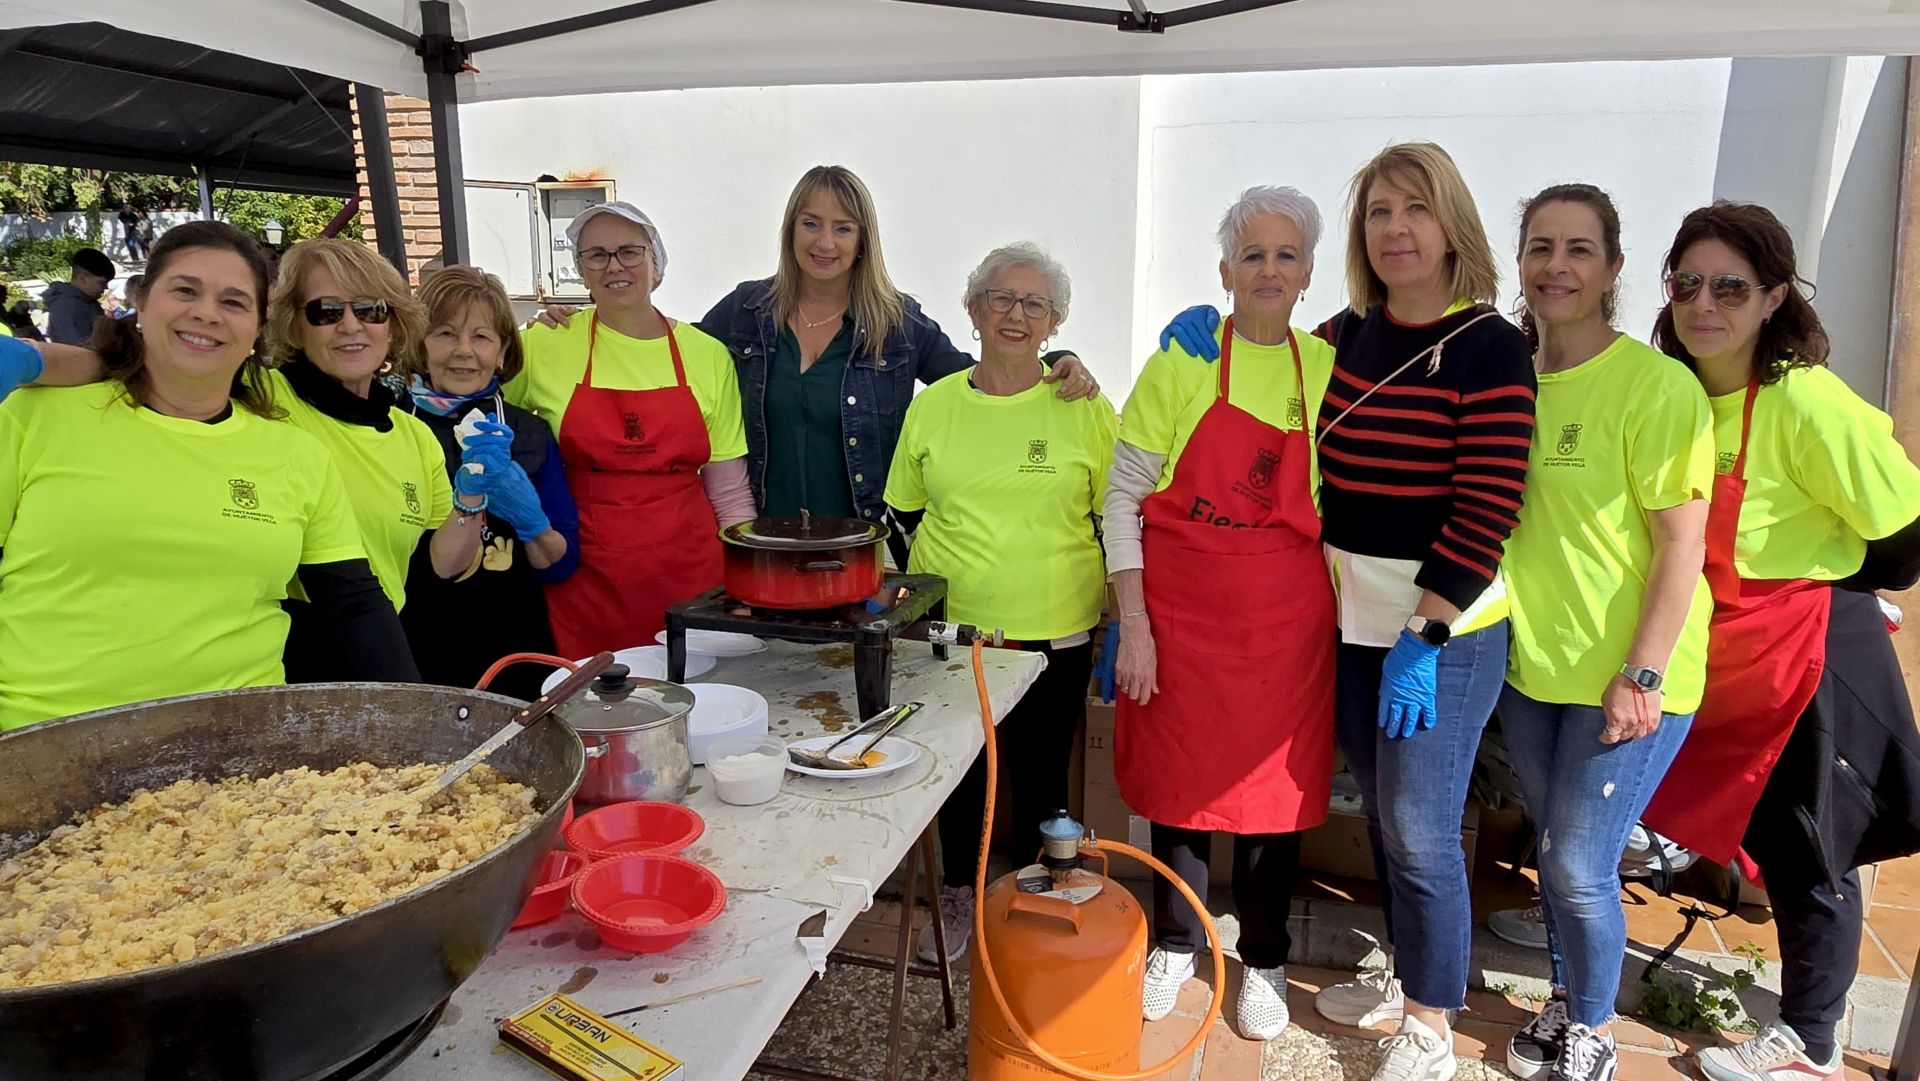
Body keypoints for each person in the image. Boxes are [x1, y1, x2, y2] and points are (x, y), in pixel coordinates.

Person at [1163, 144, 1536, 1069]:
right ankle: (1412, 976)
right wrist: (1194, 333)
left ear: (1453, 225)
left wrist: (1427, 627)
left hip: (1438, 631)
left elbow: (1489, 502)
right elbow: (1260, 345)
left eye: (1415, 209)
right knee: (1381, 818)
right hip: (1347, 625)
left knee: (1419, 828)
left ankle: (1432, 1026)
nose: (1396, 229)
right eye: (1378, 213)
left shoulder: (1489, 346)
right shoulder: (1347, 335)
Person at [1634, 202, 1920, 1081]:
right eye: (1688, 283)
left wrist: (1831, 580)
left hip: (1804, 650)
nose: (1705, 303)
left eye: (1731, 286)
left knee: (1806, 842)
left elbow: (1903, 542)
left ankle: (1812, 1035)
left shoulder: (1806, 399)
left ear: (1772, 298)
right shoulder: (1669, 392)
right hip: (1716, 649)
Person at [0, 221, 414, 732]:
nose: (207, 313)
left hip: (239, 755)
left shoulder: (295, 453)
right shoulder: (34, 416)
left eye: (235, 302)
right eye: (185, 290)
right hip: (44, 744)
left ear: (257, 328)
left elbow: (354, 602)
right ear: (142, 304)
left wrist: (420, 722)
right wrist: (36, 357)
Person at [539, 167, 1099, 541]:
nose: (824, 242)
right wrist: (582, 321)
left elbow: (984, 382)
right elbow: (664, 351)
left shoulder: (897, 322)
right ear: (791, 231)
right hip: (759, 546)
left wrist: (1058, 361)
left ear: (862, 240)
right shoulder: (745, 311)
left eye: (841, 228)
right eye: (811, 224)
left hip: (864, 551)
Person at [1494, 185, 1714, 1081]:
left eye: (1579, 249)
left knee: (1580, 864)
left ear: (1616, 269)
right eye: (1541, 247)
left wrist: (1644, 675)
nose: (1557, 266)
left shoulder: (1655, 386)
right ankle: (1563, 996)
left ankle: (1594, 1027)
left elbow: (1682, 544)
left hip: (1625, 678)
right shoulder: (1511, 376)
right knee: (1555, 855)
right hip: (1532, 669)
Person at [1110, 187, 1340, 1042]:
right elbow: (1123, 497)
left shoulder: (1328, 370)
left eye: (1286, 256)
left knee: (1272, 797)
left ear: (1308, 273)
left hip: (1286, 621)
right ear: (1224, 272)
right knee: (1180, 782)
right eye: (1253, 255)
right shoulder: (1180, 364)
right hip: (1181, 609)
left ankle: (1267, 960)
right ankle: (1176, 942)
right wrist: (1133, 621)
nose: (1269, 270)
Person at [884, 242, 1116, 967]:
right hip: (956, 630)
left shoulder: (1082, 404)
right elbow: (902, 511)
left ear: (1055, 322)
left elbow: (1116, 514)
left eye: (1034, 304)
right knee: (962, 771)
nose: (1016, 315)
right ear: (973, 308)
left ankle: (1037, 896)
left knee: (1043, 772)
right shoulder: (935, 406)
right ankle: (959, 890)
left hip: (1056, 626)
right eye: (1001, 299)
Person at [509, 201, 756, 653]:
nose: (614, 266)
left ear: (655, 263)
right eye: (596, 255)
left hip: (691, 572)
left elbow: (729, 489)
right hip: (584, 571)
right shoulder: (543, 343)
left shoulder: (706, 354)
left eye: (629, 251)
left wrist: (748, 579)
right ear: (580, 270)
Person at [399, 266, 580, 701]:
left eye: (481, 337)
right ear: (420, 345)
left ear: (502, 352)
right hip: (415, 647)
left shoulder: (529, 435)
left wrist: (533, 523)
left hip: (513, 647)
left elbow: (560, 564)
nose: (464, 351)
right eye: (445, 333)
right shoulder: (391, 427)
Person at [43, 247, 114, 345]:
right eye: (101, 283)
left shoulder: (88, 301)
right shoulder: (65, 306)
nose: (106, 287)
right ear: (82, 278)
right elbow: (74, 347)